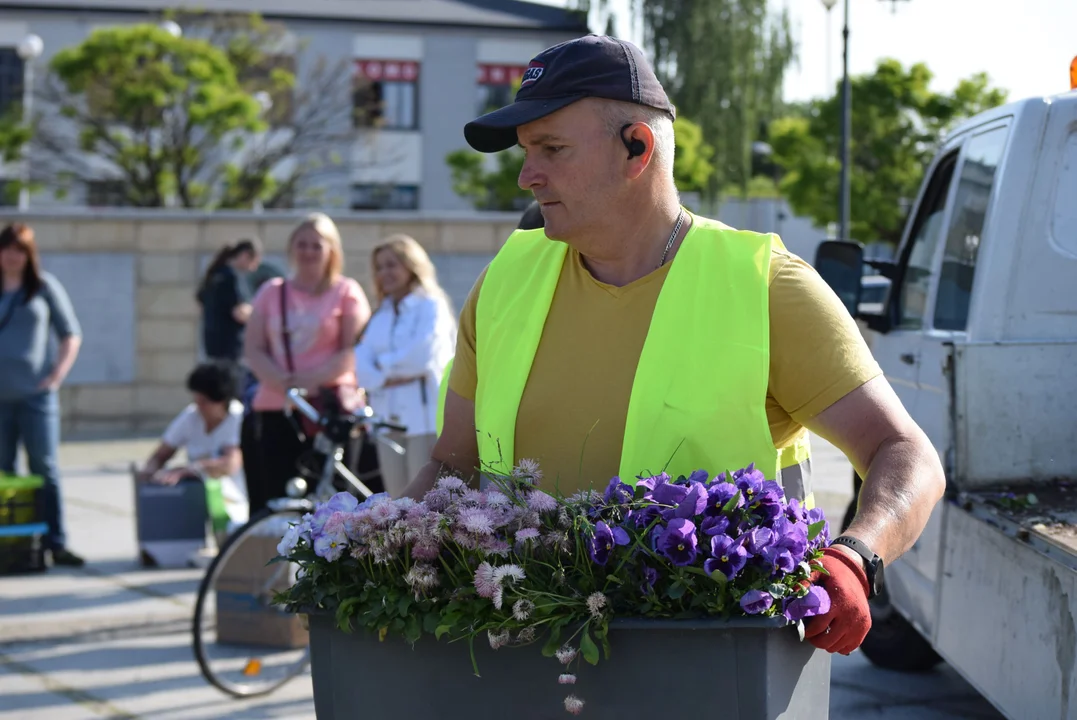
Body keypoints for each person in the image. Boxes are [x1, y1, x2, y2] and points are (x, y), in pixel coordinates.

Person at [403, 34, 947, 658]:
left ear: (637, 146)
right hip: (518, 664)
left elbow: (906, 454)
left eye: (551, 149)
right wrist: (374, 550)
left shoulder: (765, 285)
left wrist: (855, 557)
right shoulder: (506, 278)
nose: (528, 176)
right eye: (526, 152)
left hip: (703, 668)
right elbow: (452, 465)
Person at [241, 213, 374, 515]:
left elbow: (352, 350)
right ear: (291, 249)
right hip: (277, 407)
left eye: (317, 245)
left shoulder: (346, 292)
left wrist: (310, 381)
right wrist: (283, 381)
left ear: (331, 250)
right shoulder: (271, 292)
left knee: (329, 505)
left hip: (326, 413)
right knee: (275, 501)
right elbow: (254, 347)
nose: (309, 251)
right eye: (302, 244)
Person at [0, 223, 84, 567]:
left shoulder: (44, 288)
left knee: (44, 469)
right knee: (3, 472)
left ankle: (55, 542)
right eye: (6, 248)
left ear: (29, 254)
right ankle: (10, 543)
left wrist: (56, 376)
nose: (12, 256)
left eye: (19, 249)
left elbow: (70, 333)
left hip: (36, 397)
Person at [354, 235, 456, 497]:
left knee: (424, 500)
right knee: (396, 500)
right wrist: (388, 375)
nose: (384, 273)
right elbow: (361, 366)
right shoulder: (381, 313)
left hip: (424, 420)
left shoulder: (431, 305)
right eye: (379, 267)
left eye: (391, 264)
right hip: (386, 421)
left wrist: (381, 369)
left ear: (411, 265)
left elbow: (422, 356)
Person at [136, 360, 248, 528]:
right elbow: (162, 454)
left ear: (222, 401)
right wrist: (150, 473)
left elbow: (230, 464)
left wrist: (191, 469)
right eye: (197, 399)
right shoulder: (191, 416)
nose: (199, 406)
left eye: (205, 402)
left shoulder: (237, 418)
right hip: (194, 496)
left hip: (232, 499)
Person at [196, 239, 260, 363]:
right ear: (245, 255)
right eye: (253, 263)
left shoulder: (214, 275)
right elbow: (239, 312)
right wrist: (256, 314)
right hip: (229, 349)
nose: (252, 269)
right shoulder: (231, 278)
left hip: (211, 346)